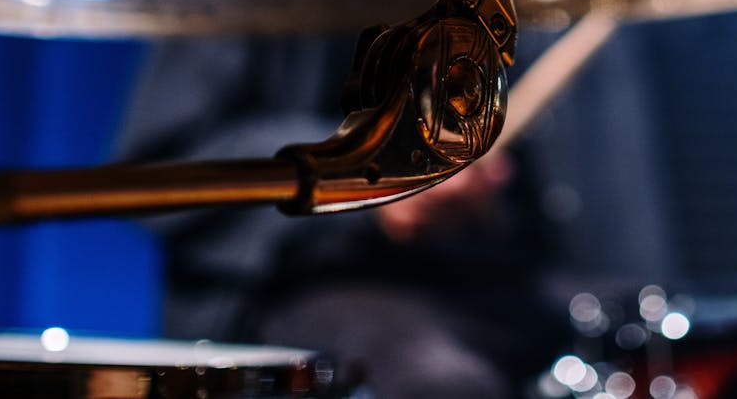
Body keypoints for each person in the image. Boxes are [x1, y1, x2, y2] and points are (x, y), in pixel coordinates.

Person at [118, 30, 674, 398]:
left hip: (486, 273)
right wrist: (368, 181)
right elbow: (165, 167)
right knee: (441, 379)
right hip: (296, 284)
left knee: (669, 336)